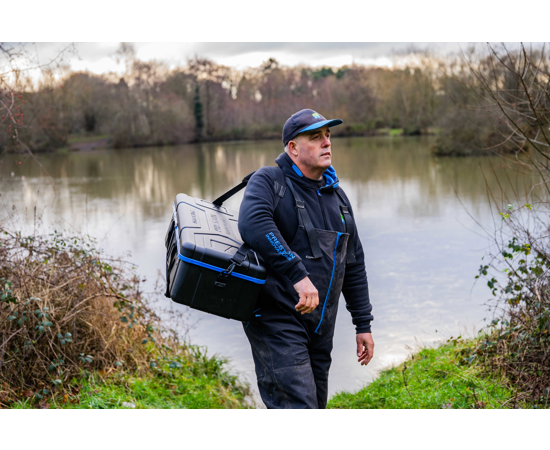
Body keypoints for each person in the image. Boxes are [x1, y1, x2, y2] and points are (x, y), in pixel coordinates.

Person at [238, 109, 374, 409]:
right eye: (315, 137)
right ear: (293, 148)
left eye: (328, 136)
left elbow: (353, 263)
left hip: (320, 328)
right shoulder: (269, 181)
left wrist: (362, 324)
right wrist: (299, 275)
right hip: (276, 319)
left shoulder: (336, 197)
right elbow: (254, 224)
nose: (327, 143)